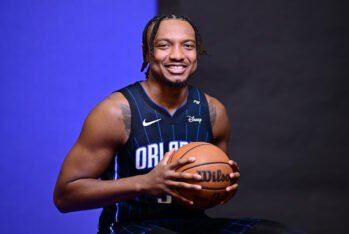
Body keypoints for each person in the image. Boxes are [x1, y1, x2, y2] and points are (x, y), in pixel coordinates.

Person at [54, 15, 305, 234]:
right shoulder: (116, 112)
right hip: (127, 227)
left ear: (197, 53)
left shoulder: (213, 111)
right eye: (164, 46)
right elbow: (65, 196)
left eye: (188, 46)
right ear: (147, 52)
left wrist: (221, 185)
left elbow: (207, 194)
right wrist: (145, 182)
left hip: (193, 226)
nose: (177, 55)